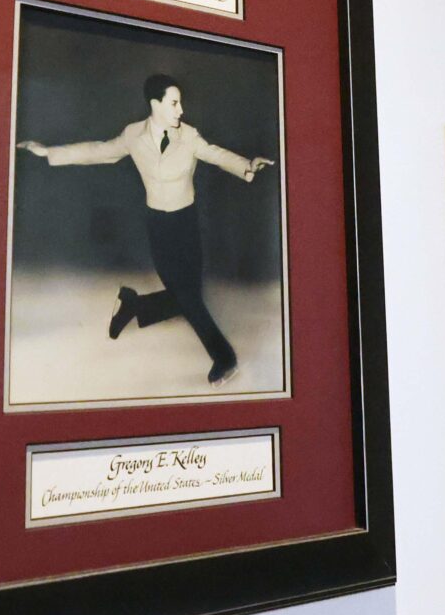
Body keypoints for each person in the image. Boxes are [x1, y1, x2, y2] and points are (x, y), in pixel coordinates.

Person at [18, 72, 272, 384]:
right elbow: (99, 150)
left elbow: (214, 153)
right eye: (174, 103)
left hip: (186, 225)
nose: (181, 110)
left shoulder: (189, 136)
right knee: (189, 298)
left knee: (187, 297)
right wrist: (50, 153)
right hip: (159, 226)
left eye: (180, 103)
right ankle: (225, 358)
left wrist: (246, 165)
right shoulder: (133, 135)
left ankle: (133, 305)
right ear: (156, 104)